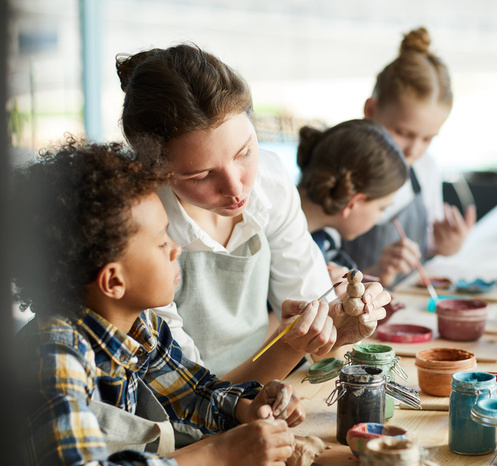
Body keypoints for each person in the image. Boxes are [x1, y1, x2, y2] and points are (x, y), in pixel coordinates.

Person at [10, 139, 303, 466]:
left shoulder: (139, 325)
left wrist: (247, 407)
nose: (175, 249)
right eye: (162, 241)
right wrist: (216, 454)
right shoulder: (55, 356)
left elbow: (192, 394)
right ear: (114, 281)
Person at [116, 44, 389, 385]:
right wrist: (291, 346)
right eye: (202, 175)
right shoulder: (137, 226)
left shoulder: (270, 182)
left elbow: (318, 332)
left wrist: (340, 328)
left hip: (261, 389)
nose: (236, 188)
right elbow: (185, 395)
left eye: (245, 152)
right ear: (155, 171)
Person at [340, 27, 477, 287]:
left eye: (428, 138)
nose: (414, 150)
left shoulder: (425, 168)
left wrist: (444, 246)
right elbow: (313, 277)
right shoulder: (338, 172)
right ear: (370, 110)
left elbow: (425, 245)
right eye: (403, 133)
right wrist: (376, 271)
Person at [296, 119, 408, 287]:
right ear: (353, 203)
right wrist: (319, 297)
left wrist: (377, 272)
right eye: (381, 208)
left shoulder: (322, 240)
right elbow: (251, 314)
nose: (379, 217)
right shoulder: (271, 238)